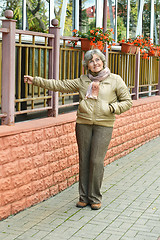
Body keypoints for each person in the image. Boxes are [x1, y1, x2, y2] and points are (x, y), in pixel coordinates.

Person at [24, 49, 132, 210]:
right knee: (84, 160)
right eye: (91, 61)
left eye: (97, 60)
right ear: (87, 65)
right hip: (83, 123)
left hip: (104, 124)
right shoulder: (83, 80)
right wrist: (36, 80)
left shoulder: (115, 80)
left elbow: (127, 102)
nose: (95, 63)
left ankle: (95, 197)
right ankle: (83, 197)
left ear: (103, 61)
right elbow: (60, 85)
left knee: (96, 161)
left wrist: (111, 108)